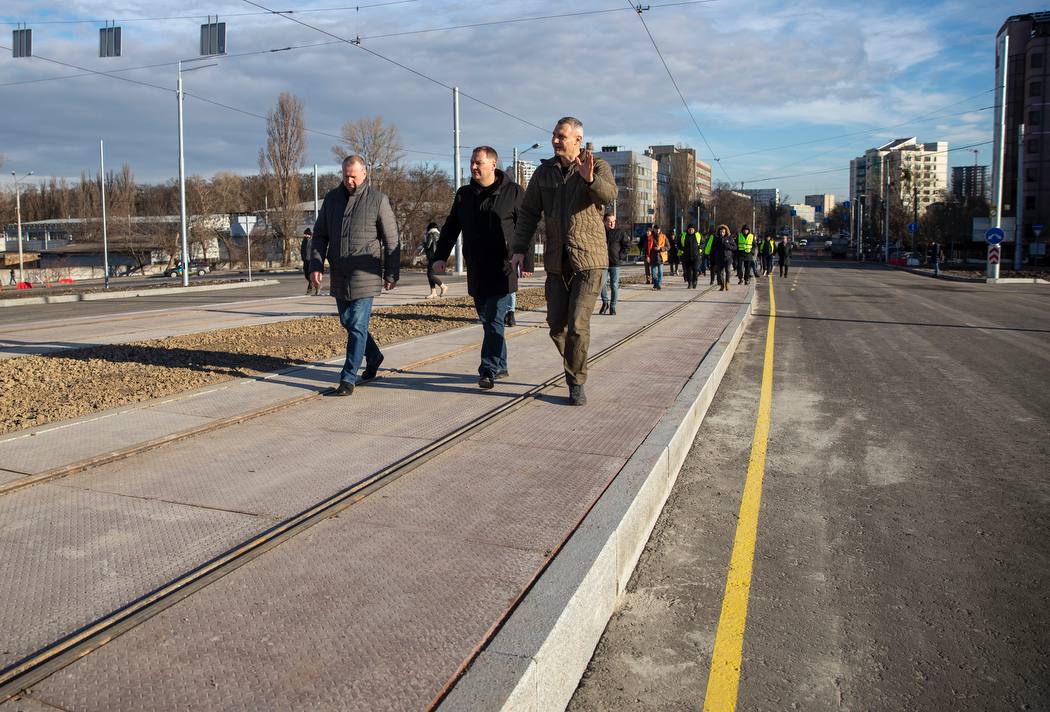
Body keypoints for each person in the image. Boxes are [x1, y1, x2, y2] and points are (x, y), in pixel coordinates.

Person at [510, 116, 616, 406]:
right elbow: (528, 213)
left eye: (561, 136)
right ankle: (576, 360)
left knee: (578, 325)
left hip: (590, 259)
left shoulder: (597, 166)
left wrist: (589, 179)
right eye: (554, 135)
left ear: (578, 140)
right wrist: (518, 248)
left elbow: (609, 194)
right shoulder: (544, 173)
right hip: (557, 261)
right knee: (557, 326)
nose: (555, 140)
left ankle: (576, 381)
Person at [431, 146, 527, 389]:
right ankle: (501, 364)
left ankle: (488, 369)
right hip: (476, 266)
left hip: (503, 267)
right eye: (472, 162)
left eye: (478, 162)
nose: (473, 167)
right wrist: (440, 256)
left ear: (493, 165)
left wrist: (525, 259)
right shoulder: (464, 194)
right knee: (487, 319)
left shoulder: (513, 192)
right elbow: (451, 227)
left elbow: (526, 225)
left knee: (494, 318)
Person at [309, 155, 400, 396]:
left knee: (358, 325)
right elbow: (320, 236)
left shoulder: (378, 200)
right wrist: (315, 266)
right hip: (340, 273)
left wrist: (391, 273)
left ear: (364, 174)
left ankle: (348, 378)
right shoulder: (331, 199)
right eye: (345, 176)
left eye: (353, 176)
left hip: (366, 274)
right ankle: (374, 355)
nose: (349, 181)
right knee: (347, 322)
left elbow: (392, 240)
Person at [599, 213, 632, 315]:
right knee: (602, 284)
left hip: (615, 263)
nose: (612, 223)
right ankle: (605, 303)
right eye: (609, 221)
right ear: (604, 222)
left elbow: (627, 245)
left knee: (614, 285)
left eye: (613, 221)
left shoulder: (620, 232)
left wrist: (620, 256)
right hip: (602, 262)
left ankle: (612, 306)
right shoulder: (600, 232)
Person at [418, 222, 448, 298]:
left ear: (429, 228)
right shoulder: (439, 235)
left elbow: (428, 246)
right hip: (437, 256)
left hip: (432, 257)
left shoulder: (431, 234)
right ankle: (433, 292)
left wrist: (423, 244)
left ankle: (443, 286)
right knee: (429, 274)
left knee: (430, 275)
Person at [679, 224, 703, 289]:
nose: (691, 231)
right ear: (687, 229)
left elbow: (702, 243)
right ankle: (690, 283)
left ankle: (695, 281)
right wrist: (681, 250)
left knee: (695, 269)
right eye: (689, 229)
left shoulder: (698, 235)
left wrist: (700, 249)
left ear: (694, 229)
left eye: (692, 229)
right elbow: (679, 244)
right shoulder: (684, 235)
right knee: (688, 271)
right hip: (687, 256)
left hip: (696, 256)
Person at [712, 224, 735, 291]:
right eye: (721, 232)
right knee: (720, 273)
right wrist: (716, 249)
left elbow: (735, 247)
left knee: (728, 271)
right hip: (719, 258)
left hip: (728, 257)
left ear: (726, 232)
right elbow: (713, 247)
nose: (722, 233)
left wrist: (728, 246)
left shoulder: (730, 238)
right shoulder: (716, 239)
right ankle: (722, 285)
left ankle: (727, 283)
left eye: (723, 232)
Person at [300, 228, 319, 295]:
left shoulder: (313, 240)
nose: (305, 235)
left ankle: (310, 289)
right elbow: (302, 250)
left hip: (311, 260)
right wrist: (303, 257)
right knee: (306, 275)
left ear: (309, 234)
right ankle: (316, 285)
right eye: (304, 234)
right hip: (305, 260)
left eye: (306, 234)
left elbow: (315, 250)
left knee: (311, 275)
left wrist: (315, 258)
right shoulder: (304, 241)